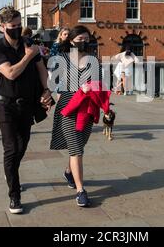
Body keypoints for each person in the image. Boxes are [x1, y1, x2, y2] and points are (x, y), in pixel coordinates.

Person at [0, 7, 53, 214]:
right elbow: (9, 73)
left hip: (26, 103)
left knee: (23, 145)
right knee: (11, 148)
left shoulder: (29, 44)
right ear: (3, 27)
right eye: (12, 27)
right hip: (5, 104)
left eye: (19, 26)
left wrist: (46, 90)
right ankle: (14, 195)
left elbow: (41, 70)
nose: (16, 30)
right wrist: (27, 56)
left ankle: (10, 172)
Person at [50, 25, 106, 208]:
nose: (84, 42)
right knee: (77, 150)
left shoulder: (94, 60)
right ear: (71, 40)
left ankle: (69, 172)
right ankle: (80, 191)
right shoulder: (62, 59)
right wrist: (78, 88)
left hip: (87, 110)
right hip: (68, 107)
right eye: (80, 39)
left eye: (87, 40)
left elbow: (100, 84)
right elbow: (56, 83)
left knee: (79, 146)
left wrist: (99, 95)